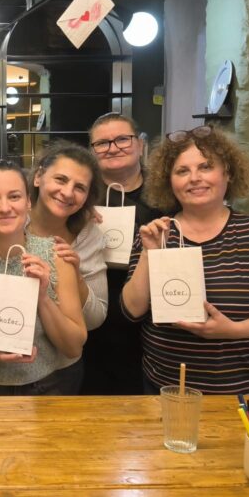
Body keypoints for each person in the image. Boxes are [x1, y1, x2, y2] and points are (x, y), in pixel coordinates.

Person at [120, 126, 249, 395]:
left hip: (240, 391)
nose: (194, 178)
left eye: (205, 167)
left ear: (228, 172)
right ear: (169, 181)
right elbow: (131, 310)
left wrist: (233, 330)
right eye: (182, 171)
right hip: (165, 390)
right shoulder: (156, 233)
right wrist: (149, 253)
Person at [0, 142, 109, 388]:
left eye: (14, 197)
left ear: (27, 202)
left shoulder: (60, 254)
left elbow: (78, 339)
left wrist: (46, 294)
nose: (5, 207)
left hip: (48, 381)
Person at [83, 112, 163, 395]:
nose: (113, 148)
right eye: (102, 143)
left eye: (122, 139)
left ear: (140, 144)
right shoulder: (81, 195)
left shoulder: (166, 192)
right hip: (94, 307)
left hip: (154, 313)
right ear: (92, 151)